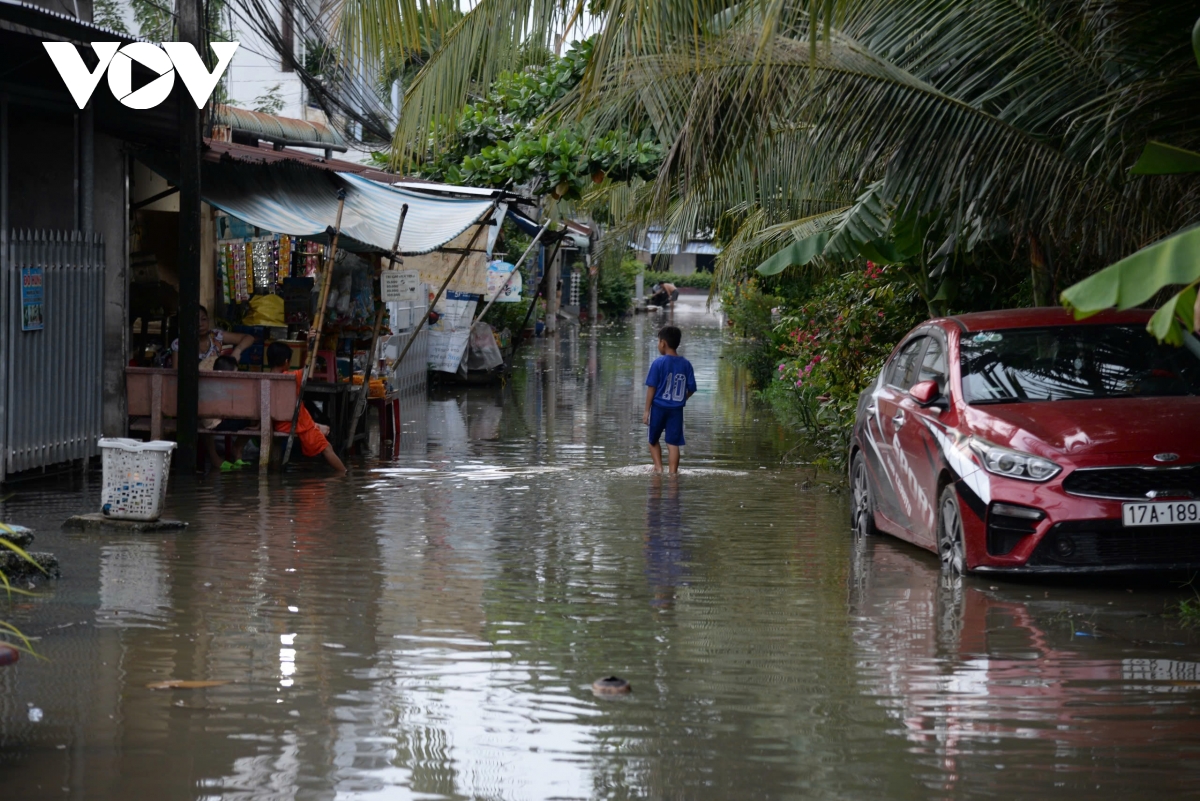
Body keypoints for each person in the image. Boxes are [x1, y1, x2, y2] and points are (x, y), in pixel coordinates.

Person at [266, 342, 346, 474]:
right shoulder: (292, 377)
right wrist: (312, 344)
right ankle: (344, 474)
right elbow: (308, 368)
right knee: (326, 447)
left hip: (277, 423)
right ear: (286, 361)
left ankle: (318, 426)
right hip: (292, 424)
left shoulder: (265, 378)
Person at [643, 325, 696, 474]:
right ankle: (673, 473)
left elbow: (651, 387)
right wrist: (681, 398)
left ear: (663, 343)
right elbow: (691, 388)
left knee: (653, 439)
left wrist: (647, 410)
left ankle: (658, 468)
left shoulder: (658, 363)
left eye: (658, 341)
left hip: (659, 407)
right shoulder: (686, 364)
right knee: (673, 443)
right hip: (676, 410)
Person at [204, 355, 252, 472]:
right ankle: (237, 449)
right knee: (253, 420)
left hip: (208, 422)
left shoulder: (210, 384)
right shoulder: (226, 387)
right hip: (218, 423)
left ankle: (234, 451)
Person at [171, 305, 254, 368]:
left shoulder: (215, 335)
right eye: (195, 320)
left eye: (203, 319)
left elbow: (249, 338)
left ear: (208, 320)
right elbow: (175, 376)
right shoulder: (179, 344)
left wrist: (237, 351)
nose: (200, 324)